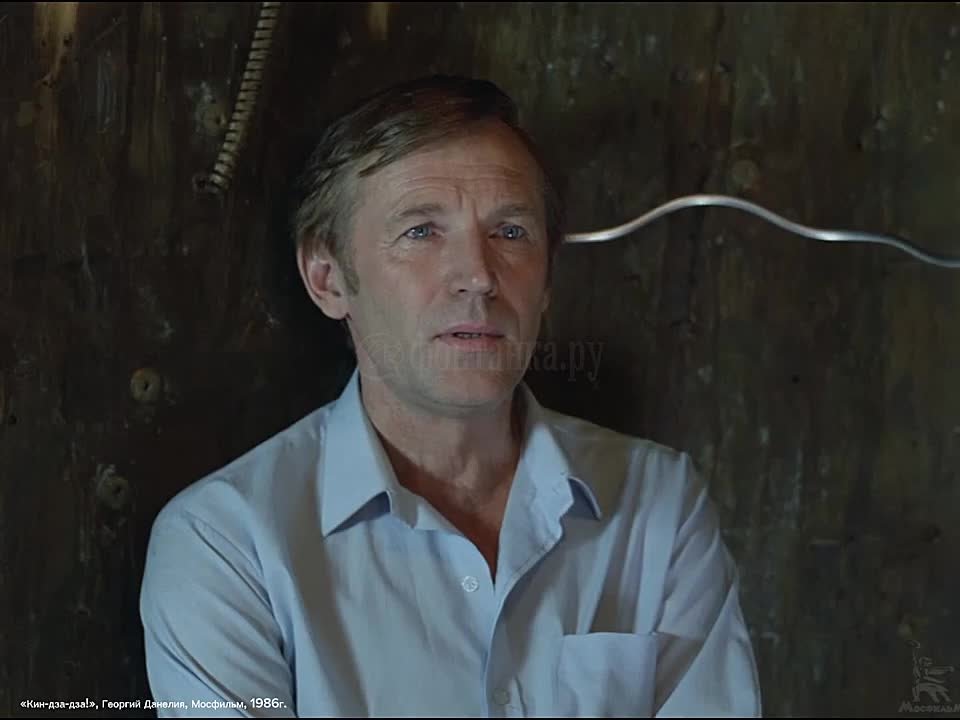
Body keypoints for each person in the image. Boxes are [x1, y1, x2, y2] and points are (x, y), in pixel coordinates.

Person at [140, 74, 761, 718]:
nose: (478, 277)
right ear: (328, 280)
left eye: (511, 232)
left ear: (548, 279)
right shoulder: (227, 545)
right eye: (421, 231)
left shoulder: (659, 503)